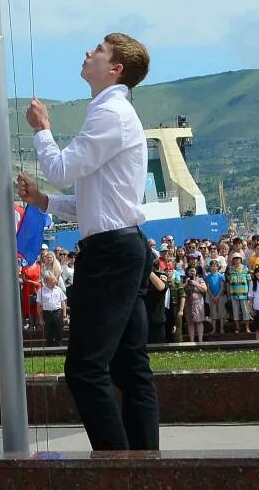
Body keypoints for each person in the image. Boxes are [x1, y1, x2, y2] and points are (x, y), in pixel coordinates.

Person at [16, 32, 160, 451]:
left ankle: (116, 464)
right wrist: (43, 202)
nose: (88, 53)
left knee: (85, 369)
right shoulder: (113, 113)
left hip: (112, 253)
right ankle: (144, 465)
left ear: (115, 69)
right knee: (131, 368)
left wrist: (43, 131)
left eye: (98, 50)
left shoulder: (110, 113)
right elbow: (94, 202)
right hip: (123, 244)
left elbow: (61, 169)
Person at [39, 269, 68, 346]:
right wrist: (41, 318)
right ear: (48, 281)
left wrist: (64, 314)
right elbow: (39, 305)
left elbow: (63, 302)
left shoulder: (58, 289)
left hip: (57, 312)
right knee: (49, 330)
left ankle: (59, 345)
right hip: (47, 313)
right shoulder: (41, 291)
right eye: (53, 280)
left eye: (55, 280)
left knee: (59, 329)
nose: (55, 282)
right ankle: (49, 346)